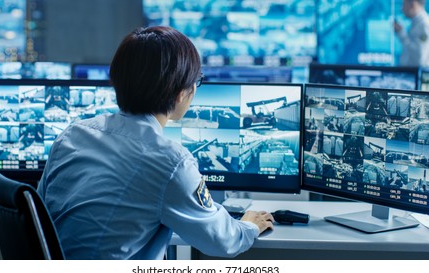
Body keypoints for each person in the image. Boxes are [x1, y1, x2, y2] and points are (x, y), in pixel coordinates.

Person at [37, 26, 274, 260]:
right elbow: (222, 241)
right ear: (182, 92)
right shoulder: (170, 161)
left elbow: (39, 214)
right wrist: (249, 226)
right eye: (195, 82)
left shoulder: (72, 135)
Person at [393, 0, 429, 67]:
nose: (402, 8)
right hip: (414, 74)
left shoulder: (424, 25)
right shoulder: (417, 24)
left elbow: (419, 57)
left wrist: (402, 35)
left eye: (404, 5)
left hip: (420, 75)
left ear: (412, 4)